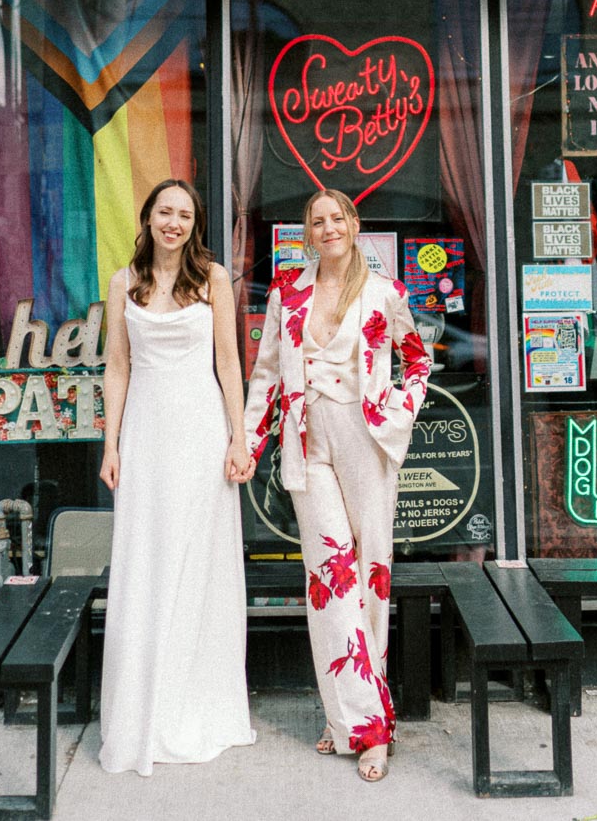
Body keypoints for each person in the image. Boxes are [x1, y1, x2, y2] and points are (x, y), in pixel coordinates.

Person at [241, 188, 432, 782]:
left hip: (364, 438)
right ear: (307, 232)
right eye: (317, 221)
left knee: (371, 573)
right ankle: (363, 722)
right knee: (330, 578)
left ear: (354, 224)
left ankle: (353, 718)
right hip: (306, 443)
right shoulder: (287, 292)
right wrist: (248, 443)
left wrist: (395, 413)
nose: (328, 228)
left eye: (337, 218)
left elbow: (418, 360)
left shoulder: (384, 291)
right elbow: (267, 373)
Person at [98, 179, 256, 773]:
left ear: (195, 223)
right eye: (165, 211)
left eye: (185, 214)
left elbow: (228, 364)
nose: (174, 222)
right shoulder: (123, 282)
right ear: (147, 216)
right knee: (147, 561)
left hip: (200, 429)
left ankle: (196, 703)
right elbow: (117, 367)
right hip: (144, 434)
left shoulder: (212, 278)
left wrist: (239, 437)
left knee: (200, 563)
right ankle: (143, 708)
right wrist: (111, 443)